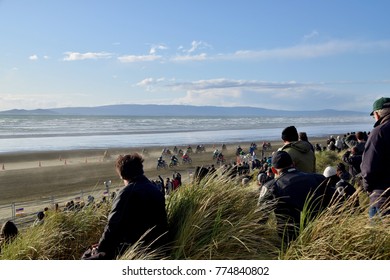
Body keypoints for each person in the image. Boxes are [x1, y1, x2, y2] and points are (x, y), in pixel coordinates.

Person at [82, 153, 169, 260]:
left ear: (122, 175)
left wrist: (100, 248)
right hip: (158, 245)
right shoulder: (155, 189)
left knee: (86, 258)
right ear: (140, 169)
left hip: (134, 248)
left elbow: (112, 226)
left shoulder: (127, 192)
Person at [258, 151, 328, 244]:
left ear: (274, 170)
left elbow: (260, 218)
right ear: (293, 164)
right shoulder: (318, 178)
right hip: (321, 234)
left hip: (290, 241)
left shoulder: (271, 187)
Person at [361, 97, 390, 218]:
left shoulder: (379, 132)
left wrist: (368, 188)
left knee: (378, 236)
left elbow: (368, 169)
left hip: (383, 197)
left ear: (377, 114)